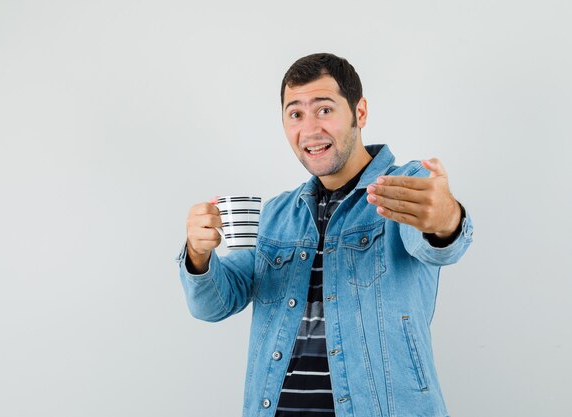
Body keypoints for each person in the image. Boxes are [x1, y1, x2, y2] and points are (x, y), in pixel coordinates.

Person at [175, 53, 473, 417]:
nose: (310, 129)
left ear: (359, 113)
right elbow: (213, 304)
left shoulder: (403, 187)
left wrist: (446, 219)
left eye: (324, 110)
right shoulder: (276, 215)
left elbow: (438, 244)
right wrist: (198, 254)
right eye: (295, 114)